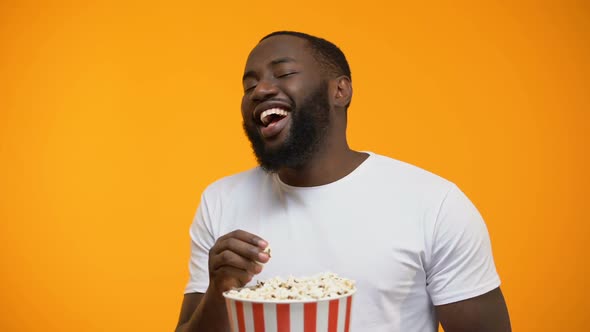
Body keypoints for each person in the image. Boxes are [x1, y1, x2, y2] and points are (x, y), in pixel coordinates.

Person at [175, 31, 511, 332]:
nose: (260, 90)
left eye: (285, 73)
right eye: (249, 86)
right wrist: (220, 290)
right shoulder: (221, 200)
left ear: (340, 90)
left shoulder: (434, 204)